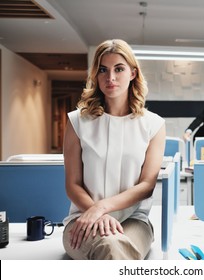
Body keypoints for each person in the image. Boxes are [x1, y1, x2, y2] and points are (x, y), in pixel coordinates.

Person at [62, 39, 166, 260]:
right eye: (103, 70)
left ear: (133, 73)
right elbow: (73, 185)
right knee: (109, 247)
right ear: (95, 76)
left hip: (134, 220)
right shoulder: (77, 122)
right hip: (84, 217)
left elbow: (147, 186)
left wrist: (102, 208)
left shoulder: (154, 125)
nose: (110, 78)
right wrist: (96, 212)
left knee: (116, 247)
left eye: (119, 69)